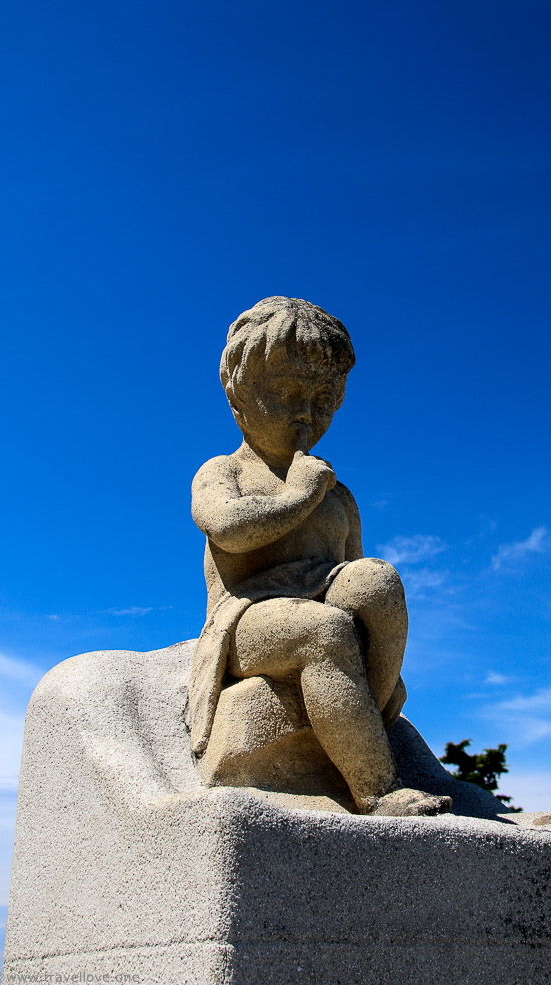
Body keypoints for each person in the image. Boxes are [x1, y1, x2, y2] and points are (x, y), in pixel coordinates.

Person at [187, 296, 451, 817]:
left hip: (323, 595)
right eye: (287, 394)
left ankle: (357, 714)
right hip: (247, 619)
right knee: (323, 630)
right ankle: (376, 787)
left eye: (325, 399)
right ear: (240, 396)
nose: (307, 413)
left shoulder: (338, 496)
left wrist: (381, 661)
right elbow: (229, 531)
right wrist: (297, 496)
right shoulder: (224, 471)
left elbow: (352, 571)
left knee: (377, 579)